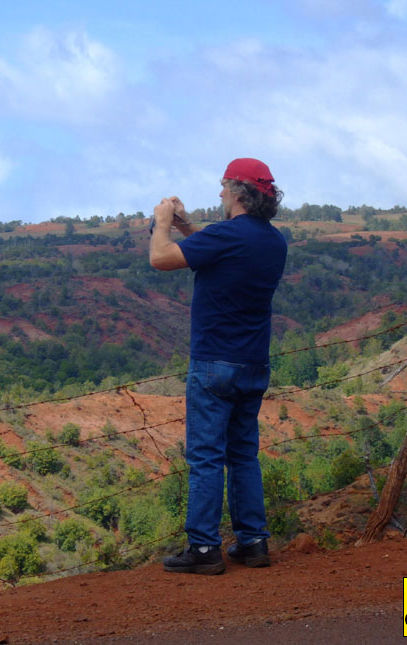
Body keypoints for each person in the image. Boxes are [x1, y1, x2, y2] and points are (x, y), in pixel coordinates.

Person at [149, 158, 287, 575]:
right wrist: (187, 225)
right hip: (253, 363)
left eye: (224, 187)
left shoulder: (227, 235)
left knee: (206, 456)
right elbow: (215, 247)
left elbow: (161, 258)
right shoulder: (273, 241)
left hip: (214, 363)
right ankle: (253, 541)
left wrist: (162, 223)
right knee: (243, 454)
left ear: (239, 193)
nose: (220, 193)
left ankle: (205, 547)